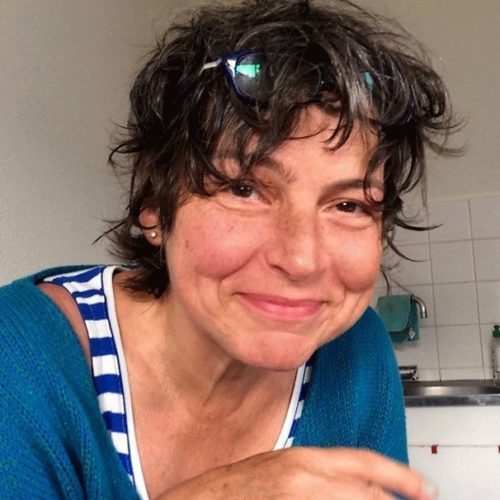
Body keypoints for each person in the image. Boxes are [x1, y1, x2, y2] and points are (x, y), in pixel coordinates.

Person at [0, 0, 456, 498]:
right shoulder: (19, 357)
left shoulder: (357, 349)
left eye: (348, 204)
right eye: (244, 190)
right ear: (153, 205)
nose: (302, 260)